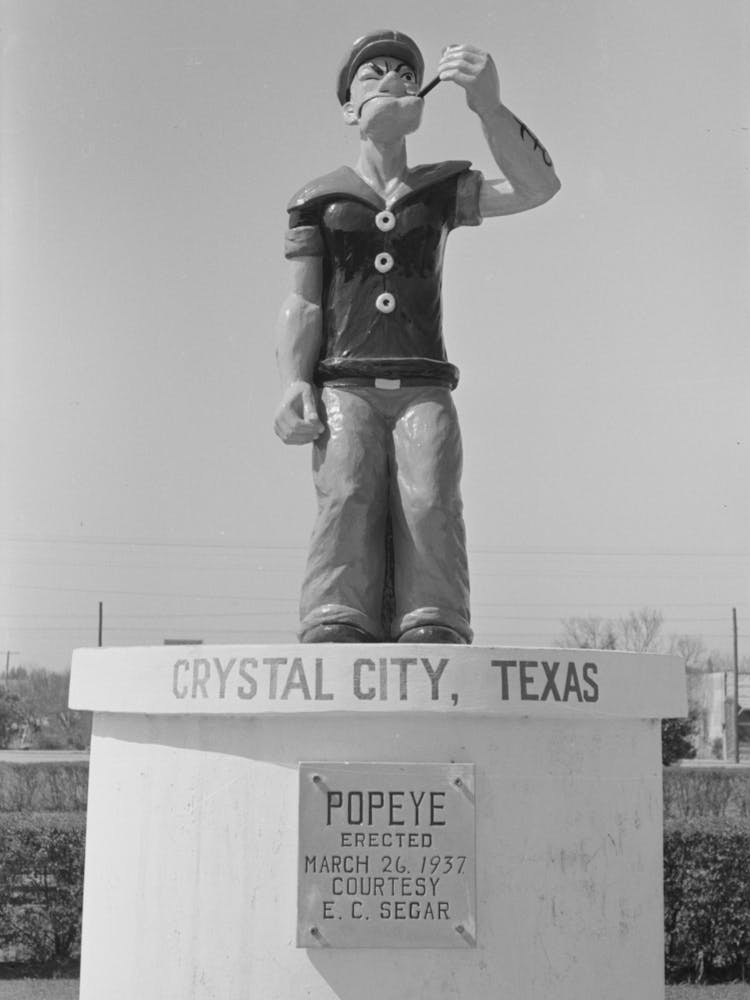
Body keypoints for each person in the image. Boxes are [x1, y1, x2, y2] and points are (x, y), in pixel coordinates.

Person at [274, 30, 560, 644]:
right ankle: (335, 614)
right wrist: (295, 380)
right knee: (346, 493)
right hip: (344, 384)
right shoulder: (320, 200)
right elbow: (302, 298)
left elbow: (537, 188)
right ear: (349, 108)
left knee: (430, 497)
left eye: (406, 75)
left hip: (423, 383)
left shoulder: (438, 191)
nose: (394, 82)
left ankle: (434, 615)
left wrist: (489, 106)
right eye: (374, 73)